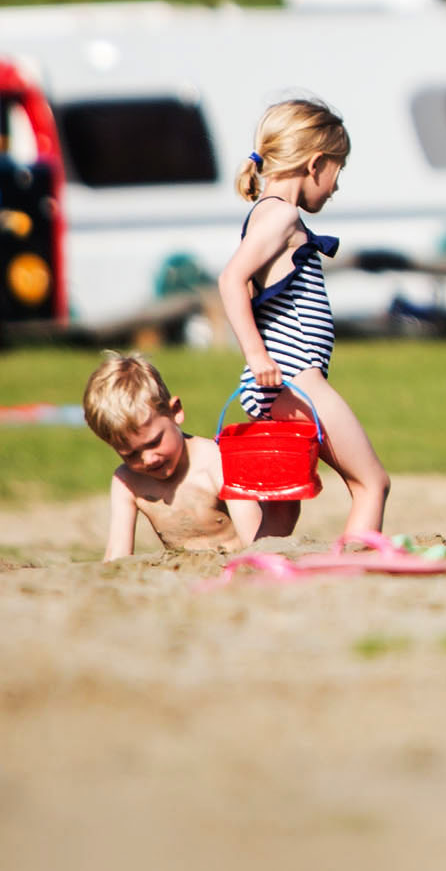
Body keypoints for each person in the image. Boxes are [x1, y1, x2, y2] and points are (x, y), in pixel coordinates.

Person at [215, 98, 391, 544]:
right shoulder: (282, 215)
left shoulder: (264, 213)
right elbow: (230, 280)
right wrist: (257, 355)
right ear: (315, 165)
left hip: (275, 390)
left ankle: (252, 570)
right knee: (371, 484)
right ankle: (354, 572)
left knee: (282, 511)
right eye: (337, 171)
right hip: (298, 385)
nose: (334, 188)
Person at [82, 352, 275, 558]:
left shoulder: (216, 461)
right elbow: (116, 557)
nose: (148, 459)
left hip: (234, 567)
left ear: (176, 411)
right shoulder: (127, 481)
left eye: (154, 442)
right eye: (130, 454)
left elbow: (255, 541)